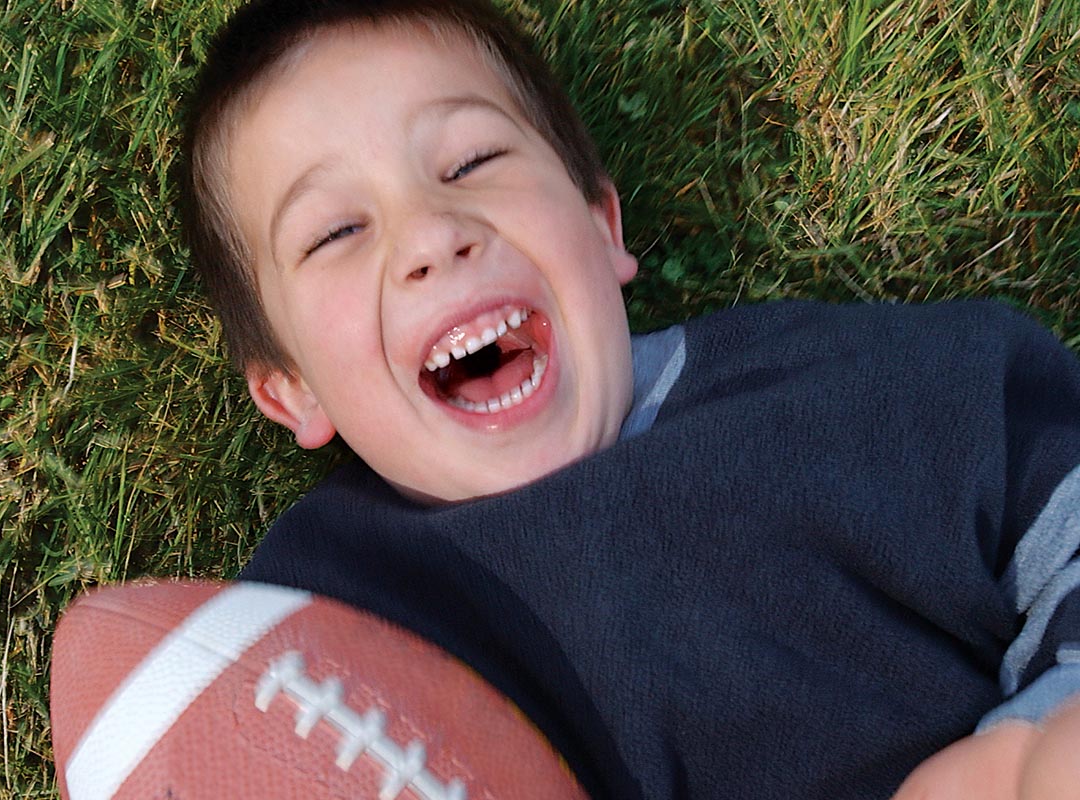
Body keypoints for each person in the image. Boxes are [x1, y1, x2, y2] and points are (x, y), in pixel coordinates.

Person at [179, 0, 1080, 797]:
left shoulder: (841, 391)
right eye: (336, 230)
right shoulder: (321, 617)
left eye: (471, 161)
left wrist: (1028, 750)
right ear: (291, 388)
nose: (432, 235)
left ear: (600, 225)